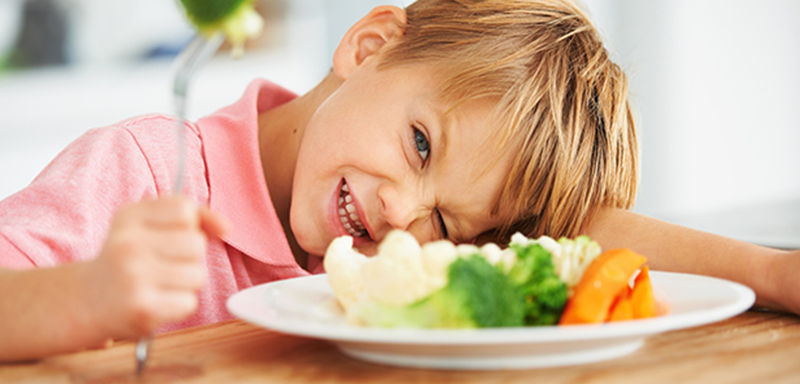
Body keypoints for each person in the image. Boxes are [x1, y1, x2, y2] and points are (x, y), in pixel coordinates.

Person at [0, 0, 797, 362]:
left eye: (450, 224)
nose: (402, 212)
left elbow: (580, 237)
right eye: (421, 144)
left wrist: (770, 272)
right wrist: (92, 296)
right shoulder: (144, 171)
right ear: (370, 42)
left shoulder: (404, 258)